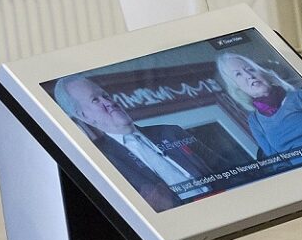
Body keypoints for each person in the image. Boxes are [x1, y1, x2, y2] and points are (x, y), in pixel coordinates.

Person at [54, 75, 252, 212]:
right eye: (95, 100)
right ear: (84, 116)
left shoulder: (170, 131)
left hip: (225, 205)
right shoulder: (99, 160)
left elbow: (226, 169)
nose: (109, 102)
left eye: (105, 95)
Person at [215, 51, 302, 166]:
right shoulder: (255, 121)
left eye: (250, 69)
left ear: (261, 72)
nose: (248, 75)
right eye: (238, 74)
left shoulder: (301, 96)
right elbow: (276, 161)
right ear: (237, 88)